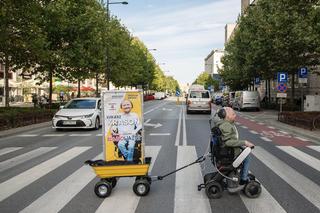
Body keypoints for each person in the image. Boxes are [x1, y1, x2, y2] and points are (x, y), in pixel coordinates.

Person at [216, 107, 254, 187]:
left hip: (228, 151)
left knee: (244, 152)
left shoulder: (224, 123)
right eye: (233, 114)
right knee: (247, 156)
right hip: (230, 153)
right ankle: (243, 179)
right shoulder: (226, 125)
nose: (235, 115)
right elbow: (228, 142)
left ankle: (242, 174)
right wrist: (245, 142)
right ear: (227, 116)